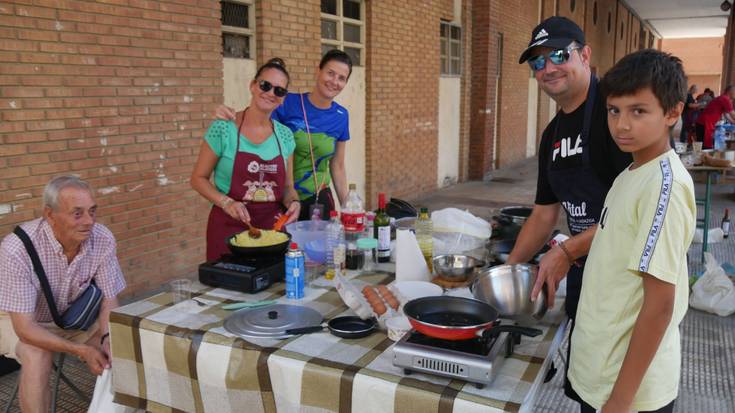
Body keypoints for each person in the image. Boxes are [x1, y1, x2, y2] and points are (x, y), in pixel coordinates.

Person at [510, 15, 632, 407]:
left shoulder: (616, 117)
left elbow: (636, 213)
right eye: (537, 62)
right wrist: (507, 271)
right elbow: (544, 215)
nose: (548, 68)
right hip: (586, 284)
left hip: (630, 286)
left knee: (622, 396)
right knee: (588, 392)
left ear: (585, 55)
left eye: (559, 55)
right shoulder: (553, 135)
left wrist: (567, 250)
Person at [569, 49, 694, 413]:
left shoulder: (663, 186)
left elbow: (660, 305)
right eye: (614, 110)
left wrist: (621, 400)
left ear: (672, 113)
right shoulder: (632, 173)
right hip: (604, 373)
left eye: (638, 111)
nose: (622, 125)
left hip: (629, 394)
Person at [0, 176, 126, 412]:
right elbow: (25, 328)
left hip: (68, 317)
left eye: (92, 211)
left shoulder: (102, 237)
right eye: (77, 213)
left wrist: (108, 338)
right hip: (14, 318)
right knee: (37, 353)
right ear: (50, 214)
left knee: (122, 343)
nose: (89, 221)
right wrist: (82, 350)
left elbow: (109, 300)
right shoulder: (16, 248)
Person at [216, 50, 353, 220]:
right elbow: (256, 121)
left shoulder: (341, 115)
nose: (334, 81)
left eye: (341, 78)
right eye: (330, 73)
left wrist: (349, 209)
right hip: (281, 198)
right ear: (318, 71)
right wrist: (228, 115)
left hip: (319, 199)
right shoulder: (287, 102)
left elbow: (338, 165)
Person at [191, 58, 301, 261]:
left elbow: (287, 187)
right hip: (228, 228)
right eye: (265, 85)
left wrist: (294, 202)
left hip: (273, 231)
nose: (270, 93)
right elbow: (198, 178)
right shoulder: (224, 128)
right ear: (252, 85)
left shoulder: (285, 136)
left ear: (283, 98)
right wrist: (226, 202)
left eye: (279, 91)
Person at [695, 85, 735, 149]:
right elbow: (733, 114)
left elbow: (726, 115)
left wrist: (733, 122)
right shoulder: (725, 99)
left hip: (703, 123)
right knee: (705, 148)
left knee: (705, 146)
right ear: (731, 91)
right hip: (705, 124)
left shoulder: (722, 98)